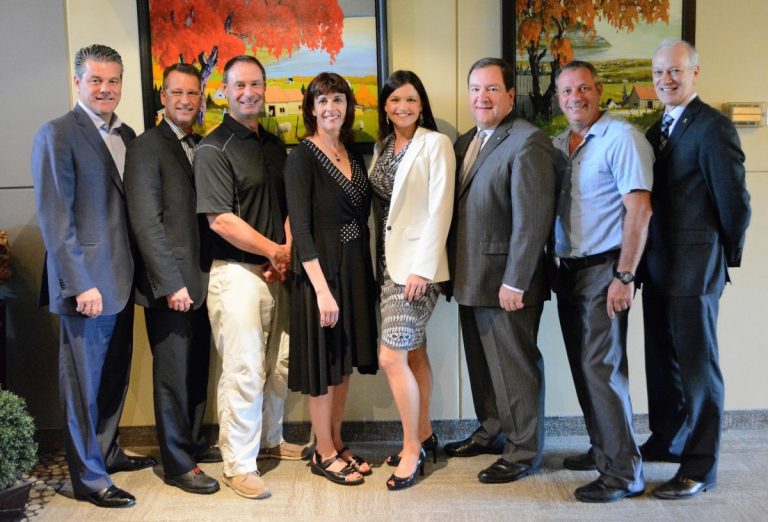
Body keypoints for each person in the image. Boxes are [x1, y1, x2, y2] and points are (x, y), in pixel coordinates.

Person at [31, 44, 155, 509]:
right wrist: (80, 283)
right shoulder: (58, 134)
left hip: (123, 282)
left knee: (113, 377)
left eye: (113, 81)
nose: (105, 89)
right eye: (96, 80)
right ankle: (88, 478)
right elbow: (55, 219)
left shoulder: (127, 134)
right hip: (87, 286)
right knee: (83, 385)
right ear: (77, 81)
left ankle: (106, 452)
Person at [640, 38, 751, 500]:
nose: (666, 79)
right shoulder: (653, 130)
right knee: (661, 363)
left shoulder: (713, 127)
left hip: (695, 269)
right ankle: (669, 439)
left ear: (695, 74)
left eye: (675, 72)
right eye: (659, 73)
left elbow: (735, 204)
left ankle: (700, 466)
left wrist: (720, 260)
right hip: (658, 266)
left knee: (698, 370)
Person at [194, 55, 303, 500]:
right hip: (235, 274)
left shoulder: (274, 145)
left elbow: (289, 206)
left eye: (255, 84)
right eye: (239, 85)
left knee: (278, 365)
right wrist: (274, 250)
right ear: (224, 90)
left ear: (265, 87)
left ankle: (270, 438)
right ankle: (239, 464)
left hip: (277, 273)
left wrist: (286, 253)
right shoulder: (212, 148)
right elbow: (220, 220)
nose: (248, 92)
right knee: (242, 369)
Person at [445, 57, 556, 484]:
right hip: (470, 276)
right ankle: (492, 430)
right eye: (475, 88)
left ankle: (524, 450)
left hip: (507, 282)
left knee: (515, 368)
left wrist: (517, 280)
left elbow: (533, 219)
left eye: (492, 89)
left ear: (511, 94)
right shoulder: (467, 141)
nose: (482, 97)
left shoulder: (528, 141)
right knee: (483, 365)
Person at [551, 60, 651, 503]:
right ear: (558, 98)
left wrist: (624, 276)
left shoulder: (622, 138)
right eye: (567, 91)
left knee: (602, 369)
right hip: (568, 272)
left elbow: (640, 211)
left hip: (604, 271)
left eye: (583, 88)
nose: (576, 97)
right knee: (584, 367)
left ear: (599, 90)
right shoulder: (560, 144)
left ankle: (623, 473)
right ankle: (603, 449)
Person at [124, 63, 220, 495]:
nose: (185, 100)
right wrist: (170, 284)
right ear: (162, 97)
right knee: (172, 376)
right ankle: (177, 464)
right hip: (172, 287)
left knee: (197, 369)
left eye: (193, 93)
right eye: (177, 92)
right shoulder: (147, 146)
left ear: (201, 98)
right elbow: (146, 222)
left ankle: (193, 443)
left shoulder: (198, 144)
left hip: (201, 282)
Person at [285, 72, 378, 487]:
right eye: (322, 101)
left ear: (347, 105)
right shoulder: (301, 157)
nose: (330, 108)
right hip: (320, 274)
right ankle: (322, 452)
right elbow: (300, 229)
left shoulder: (353, 152)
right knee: (324, 365)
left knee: (343, 365)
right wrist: (322, 290)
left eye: (337, 100)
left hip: (355, 269)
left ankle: (337, 442)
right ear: (310, 108)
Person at [369, 70, 455, 490]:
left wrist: (422, 268)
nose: (402, 107)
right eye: (394, 101)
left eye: (410, 100)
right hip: (387, 265)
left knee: (391, 357)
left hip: (417, 270)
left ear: (422, 105)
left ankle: (410, 450)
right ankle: (424, 434)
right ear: (384, 107)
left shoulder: (435, 144)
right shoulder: (382, 146)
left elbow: (441, 209)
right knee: (414, 354)